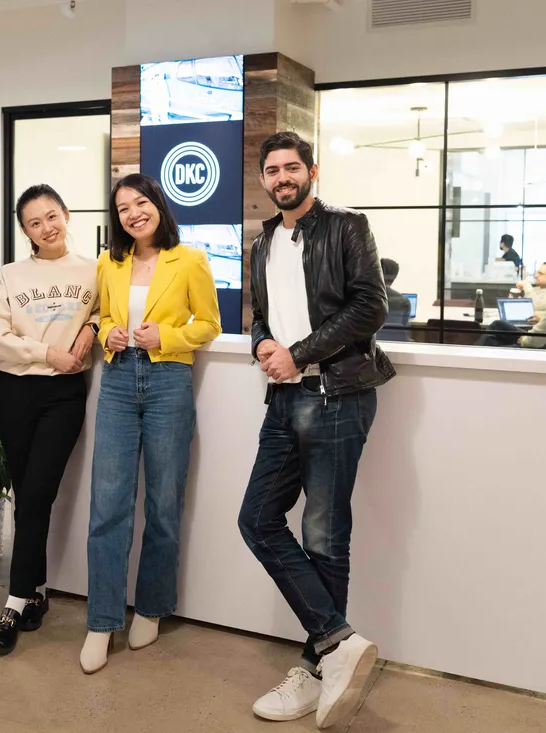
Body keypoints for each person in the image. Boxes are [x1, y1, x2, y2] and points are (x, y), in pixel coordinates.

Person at [238, 131, 394, 729]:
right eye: (272, 169)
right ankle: (336, 642)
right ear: (263, 180)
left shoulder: (346, 226)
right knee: (256, 519)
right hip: (281, 401)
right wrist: (262, 343)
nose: (283, 177)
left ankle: (318, 664)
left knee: (325, 534)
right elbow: (258, 316)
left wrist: (299, 353)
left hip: (335, 394)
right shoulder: (261, 244)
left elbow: (368, 307)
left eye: (292, 167)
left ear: (312, 171)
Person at [80, 173, 221, 674]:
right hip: (118, 383)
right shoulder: (108, 262)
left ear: (158, 205)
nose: (133, 213)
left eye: (141, 203)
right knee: (109, 504)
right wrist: (107, 334)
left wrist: (164, 334)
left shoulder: (192, 261)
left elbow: (209, 325)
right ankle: (101, 619)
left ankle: (153, 607)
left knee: (163, 503)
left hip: (168, 382)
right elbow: (97, 316)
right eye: (123, 208)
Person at [0, 184, 99, 656]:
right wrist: (47, 351)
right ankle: (38, 591)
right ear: (25, 230)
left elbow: (108, 312)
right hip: (15, 392)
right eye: (35, 222)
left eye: (52, 216)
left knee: (37, 493)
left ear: (66, 214)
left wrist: (90, 328)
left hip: (63, 395)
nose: (46, 227)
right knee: (26, 496)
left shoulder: (94, 270)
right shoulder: (9, 276)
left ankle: (12, 603)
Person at [380, 258, 411, 327]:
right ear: (395, 276)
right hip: (395, 337)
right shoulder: (404, 302)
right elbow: (404, 329)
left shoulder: (365, 298)